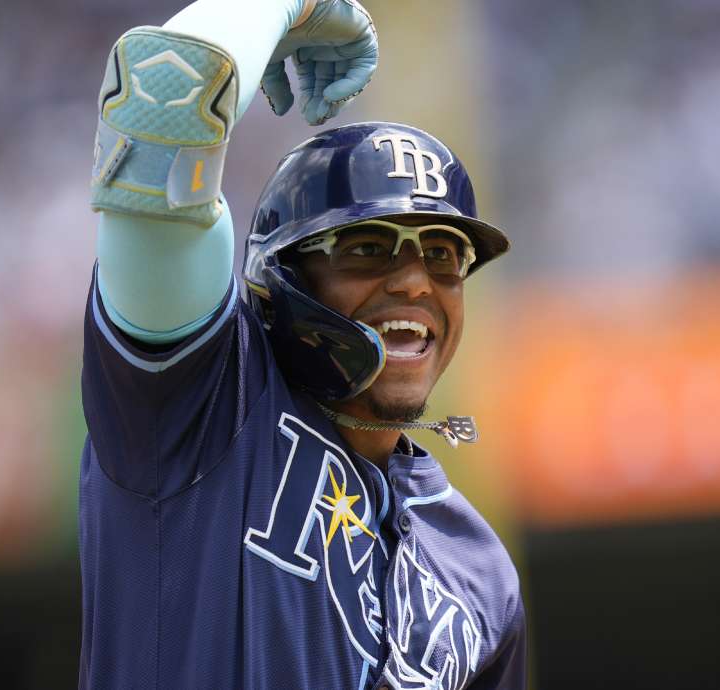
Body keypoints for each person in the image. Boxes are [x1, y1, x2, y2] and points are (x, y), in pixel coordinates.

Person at [79, 1, 526, 688]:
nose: (415, 283)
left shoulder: (480, 569)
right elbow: (160, 99)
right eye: (368, 249)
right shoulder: (196, 406)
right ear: (284, 281)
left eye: (443, 256)